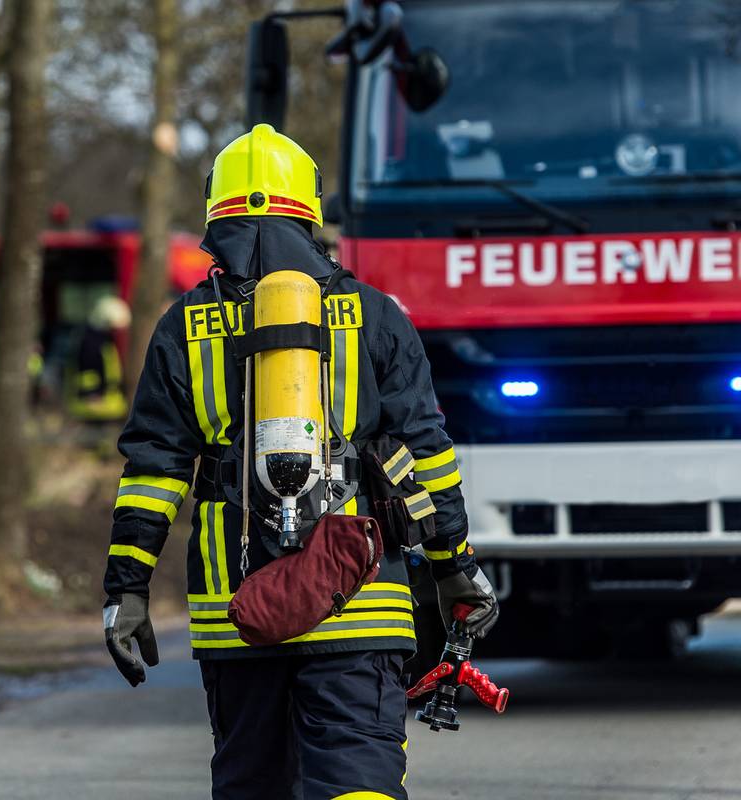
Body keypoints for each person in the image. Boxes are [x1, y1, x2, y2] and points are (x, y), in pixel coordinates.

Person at [101, 124, 499, 800]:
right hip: (359, 597)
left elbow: (153, 474)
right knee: (358, 774)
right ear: (311, 212)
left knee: (252, 780)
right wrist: (455, 567)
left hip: (237, 606)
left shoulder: (182, 328)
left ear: (214, 213)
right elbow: (426, 456)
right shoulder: (375, 315)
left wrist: (126, 590)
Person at [65, 295, 130, 422]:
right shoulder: (92, 342)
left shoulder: (103, 340)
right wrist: (90, 394)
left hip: (108, 405)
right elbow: (87, 371)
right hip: (94, 407)